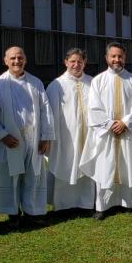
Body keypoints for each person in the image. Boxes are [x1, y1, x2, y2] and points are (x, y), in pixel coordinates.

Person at [0, 46, 55, 227]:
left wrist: (45, 136)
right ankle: (13, 213)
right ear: (5, 60)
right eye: (13, 58)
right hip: (10, 141)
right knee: (11, 176)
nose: (17, 61)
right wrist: (2, 135)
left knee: (34, 175)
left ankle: (33, 212)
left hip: (33, 139)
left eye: (20, 58)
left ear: (25, 60)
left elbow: (45, 110)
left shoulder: (36, 83)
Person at [79, 42, 132, 219]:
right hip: (106, 134)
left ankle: (129, 203)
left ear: (125, 57)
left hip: (127, 133)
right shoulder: (98, 80)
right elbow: (93, 108)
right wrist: (110, 124)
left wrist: (125, 122)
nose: (117, 59)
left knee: (128, 168)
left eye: (120, 56)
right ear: (106, 58)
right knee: (104, 168)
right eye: (113, 56)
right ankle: (101, 207)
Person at [45, 48, 95, 214]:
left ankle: (86, 203)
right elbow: (50, 114)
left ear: (85, 63)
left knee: (88, 166)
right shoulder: (56, 85)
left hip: (89, 136)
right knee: (65, 166)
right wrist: (50, 138)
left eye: (80, 61)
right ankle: (63, 205)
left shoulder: (92, 83)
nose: (76, 65)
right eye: (72, 61)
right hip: (65, 137)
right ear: (66, 62)